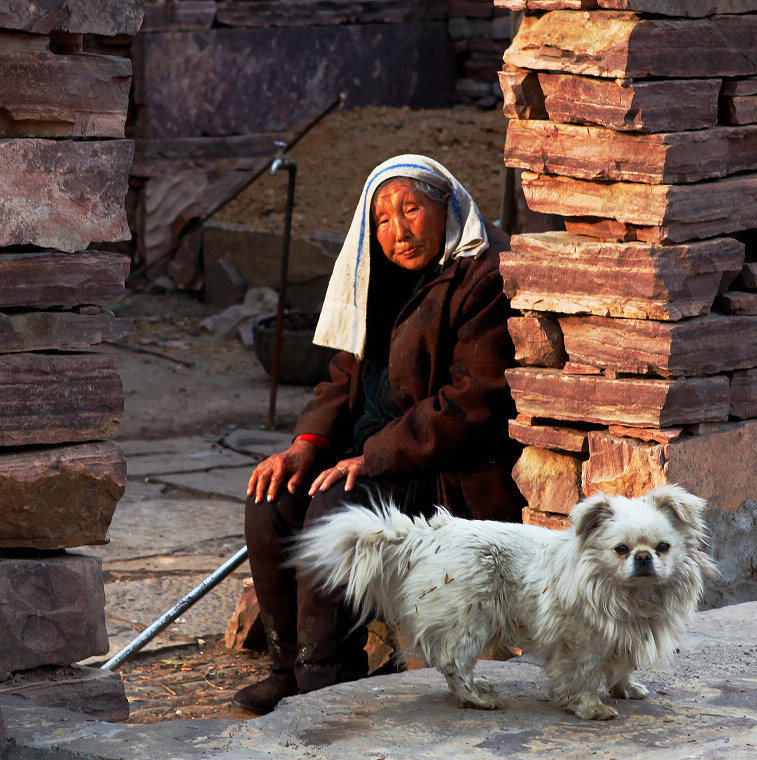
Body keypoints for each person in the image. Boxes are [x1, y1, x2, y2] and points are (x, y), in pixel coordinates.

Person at [232, 154, 523, 714]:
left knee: (333, 508)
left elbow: (472, 401)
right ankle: (288, 669)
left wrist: (373, 458)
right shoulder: (380, 274)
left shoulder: (483, 276)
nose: (399, 231)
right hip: (370, 453)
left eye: (412, 209)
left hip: (439, 467)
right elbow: (346, 374)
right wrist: (306, 445)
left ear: (448, 206)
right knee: (269, 499)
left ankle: (328, 681)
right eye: (384, 220)